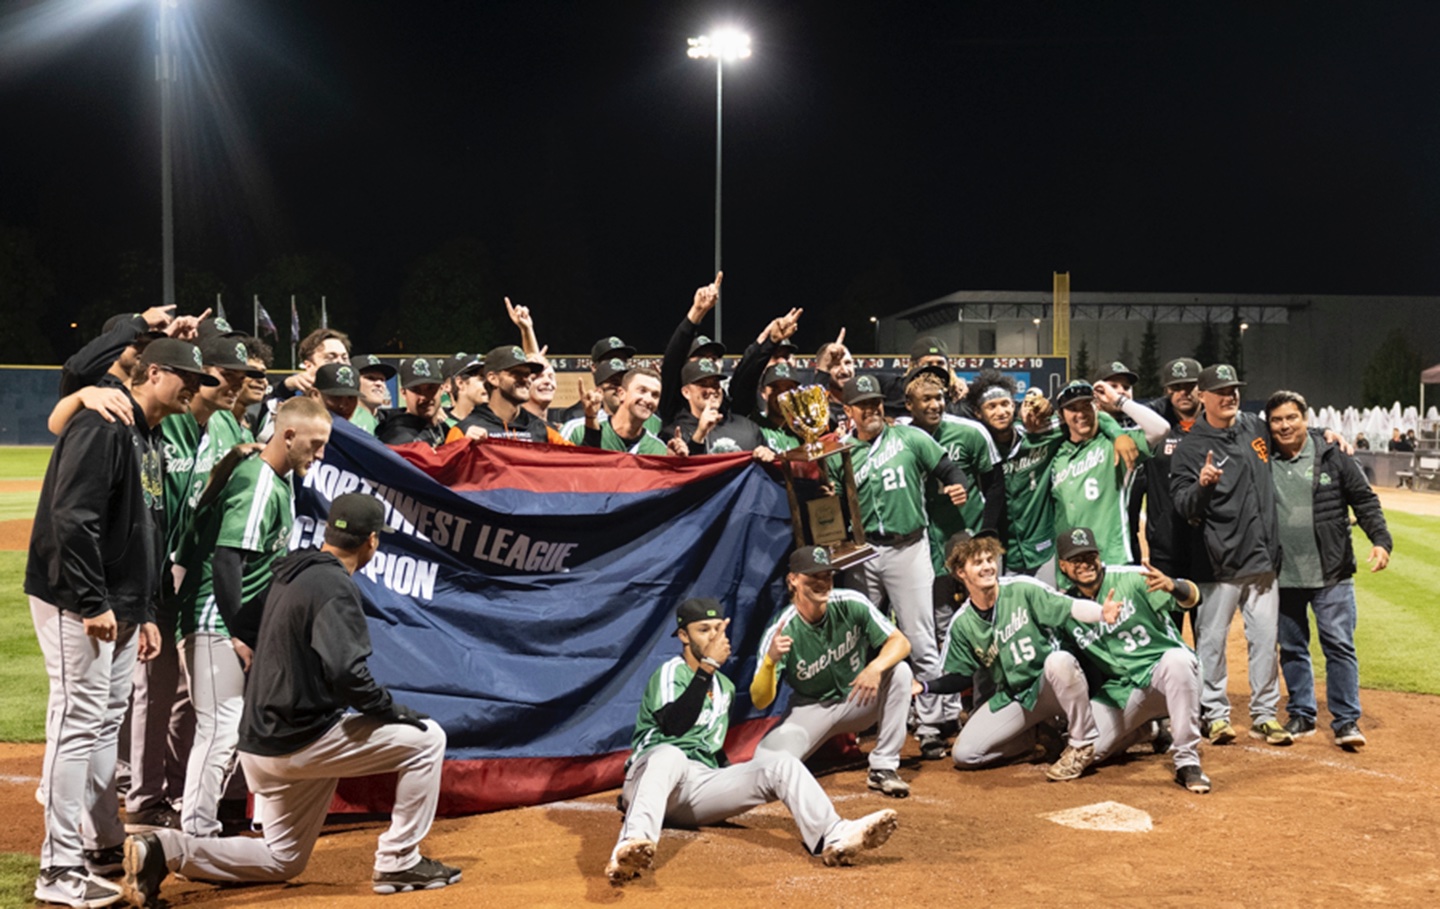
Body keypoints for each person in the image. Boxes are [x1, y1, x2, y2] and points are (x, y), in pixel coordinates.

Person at [121, 494, 460, 906]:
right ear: (371, 541)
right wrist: (389, 710)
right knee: (427, 739)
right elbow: (347, 673)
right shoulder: (335, 586)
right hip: (299, 741)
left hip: (259, 743)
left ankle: (165, 849)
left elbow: (246, 621)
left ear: (329, 531)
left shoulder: (293, 571)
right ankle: (400, 860)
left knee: (282, 859)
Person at [26, 338, 215, 908]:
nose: (192, 388)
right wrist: (92, 601)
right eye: (183, 376)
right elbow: (71, 518)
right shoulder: (104, 423)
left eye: (196, 380)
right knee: (76, 721)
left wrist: (146, 610)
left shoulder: (150, 434)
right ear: (152, 372)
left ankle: (101, 844)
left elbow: (148, 529)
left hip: (123, 603)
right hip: (79, 599)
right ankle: (57, 868)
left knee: (105, 723)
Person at [606, 597, 898, 886]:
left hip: (695, 790)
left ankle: (833, 835)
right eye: (703, 630)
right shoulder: (672, 671)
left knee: (781, 764)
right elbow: (674, 726)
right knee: (671, 755)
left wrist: (738, 778)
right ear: (684, 636)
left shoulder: (725, 687)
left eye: (718, 629)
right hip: (653, 774)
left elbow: (711, 749)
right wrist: (708, 666)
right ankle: (631, 845)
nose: (713, 637)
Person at [171, 397, 334, 837]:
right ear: (288, 436)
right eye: (315, 444)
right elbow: (227, 561)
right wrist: (240, 632)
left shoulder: (278, 479)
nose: (320, 454)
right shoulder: (260, 480)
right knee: (221, 727)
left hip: (235, 621)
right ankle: (197, 831)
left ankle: (235, 818)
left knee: (244, 724)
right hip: (215, 618)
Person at [126, 336, 261, 834]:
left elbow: (201, 499)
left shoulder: (222, 425)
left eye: (239, 377)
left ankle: (182, 788)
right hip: (147, 575)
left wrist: (229, 463)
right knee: (151, 690)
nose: (234, 385)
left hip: (184, 575)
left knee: (185, 693)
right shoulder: (167, 421)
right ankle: (142, 796)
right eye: (224, 376)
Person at [828, 374, 969, 760]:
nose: (871, 409)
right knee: (860, 640)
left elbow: (948, 469)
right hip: (863, 553)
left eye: (875, 402)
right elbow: (834, 508)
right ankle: (860, 723)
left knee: (920, 639)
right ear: (848, 410)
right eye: (863, 405)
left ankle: (931, 725)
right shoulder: (840, 452)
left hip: (908, 548)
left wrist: (957, 485)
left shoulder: (910, 438)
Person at [926, 534, 1121, 781]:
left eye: (989, 559)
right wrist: (925, 687)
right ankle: (1035, 737)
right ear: (960, 572)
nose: (987, 567)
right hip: (1016, 696)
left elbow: (1069, 607)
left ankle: (1081, 744)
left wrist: (1101, 613)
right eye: (978, 562)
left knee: (1059, 661)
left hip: (1052, 686)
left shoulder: (1022, 588)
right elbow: (961, 677)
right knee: (965, 755)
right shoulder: (963, 623)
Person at [1170, 364, 1292, 747]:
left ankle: (1265, 715)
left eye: (1234, 389)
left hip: (1261, 561)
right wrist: (1203, 486)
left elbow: (1290, 435)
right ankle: (1216, 715)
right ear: (1202, 397)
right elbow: (1183, 504)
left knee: (1265, 643)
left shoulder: (1254, 427)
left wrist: (1326, 436)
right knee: (1212, 643)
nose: (1230, 396)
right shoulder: (1190, 447)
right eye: (1221, 391)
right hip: (1217, 564)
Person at [1266, 391, 1393, 749]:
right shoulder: (1262, 457)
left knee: (1339, 645)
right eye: (1276, 420)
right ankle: (1302, 713)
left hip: (1331, 571)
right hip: (1282, 574)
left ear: (1306, 419)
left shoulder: (1332, 454)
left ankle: (1346, 719)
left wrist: (1381, 541)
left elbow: (1364, 500)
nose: (1284, 425)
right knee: (1292, 648)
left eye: (1292, 417)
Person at [1053, 527, 1210, 793]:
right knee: (1089, 751)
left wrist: (1174, 586)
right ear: (1063, 566)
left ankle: (1187, 760)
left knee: (1177, 660)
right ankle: (1148, 730)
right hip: (1124, 690)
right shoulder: (1068, 608)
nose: (1086, 564)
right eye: (1076, 560)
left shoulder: (1132, 578)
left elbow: (1194, 597)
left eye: (1090, 556)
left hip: (1168, 678)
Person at [750, 546, 915, 798]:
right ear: (793, 580)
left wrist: (875, 667)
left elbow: (900, 642)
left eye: (827, 575)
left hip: (857, 699)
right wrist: (771, 661)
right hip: (811, 708)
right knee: (764, 767)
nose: (822, 582)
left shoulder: (850, 602)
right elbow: (760, 700)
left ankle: (883, 767)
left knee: (899, 671)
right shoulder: (783, 629)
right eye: (813, 576)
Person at [1049, 379, 1168, 565]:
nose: (1081, 413)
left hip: (1111, 559)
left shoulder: (1115, 444)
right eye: (1072, 408)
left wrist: (1117, 400)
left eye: (1086, 405)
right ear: (1061, 415)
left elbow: (1161, 429)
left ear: (1096, 406)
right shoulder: (1057, 454)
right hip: (1071, 563)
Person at [453, 345, 550, 443]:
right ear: (493, 379)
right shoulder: (465, 431)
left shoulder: (544, 430)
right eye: (516, 373)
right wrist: (464, 444)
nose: (526, 380)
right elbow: (450, 452)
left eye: (527, 374)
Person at [578, 367, 672, 454]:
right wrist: (591, 422)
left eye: (655, 395)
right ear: (621, 394)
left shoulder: (659, 450)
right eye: (642, 391)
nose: (648, 399)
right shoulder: (579, 431)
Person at [376, 358, 447, 447]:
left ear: (441, 389)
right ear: (403, 393)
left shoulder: (445, 429)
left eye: (431, 388)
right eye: (416, 390)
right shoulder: (397, 438)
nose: (424, 397)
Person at [349, 354, 395, 435]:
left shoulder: (390, 422)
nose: (379, 383)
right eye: (370, 378)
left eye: (382, 379)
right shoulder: (344, 421)